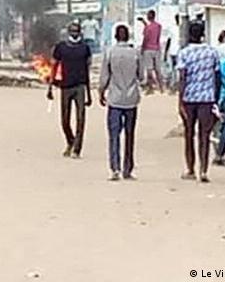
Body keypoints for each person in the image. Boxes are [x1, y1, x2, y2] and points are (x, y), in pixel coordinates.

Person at [176, 21, 220, 183]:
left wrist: (179, 101)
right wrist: (215, 97)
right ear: (203, 35)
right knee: (205, 135)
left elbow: (182, 77)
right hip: (207, 99)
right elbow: (217, 77)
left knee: (189, 134)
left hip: (189, 98)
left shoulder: (184, 53)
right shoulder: (212, 52)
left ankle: (190, 169)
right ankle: (204, 170)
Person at [98, 23, 142, 180]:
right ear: (128, 36)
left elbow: (104, 76)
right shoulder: (135, 53)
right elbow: (141, 76)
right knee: (130, 135)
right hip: (131, 99)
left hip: (114, 99)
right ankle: (127, 169)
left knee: (114, 135)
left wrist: (101, 91)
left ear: (116, 36)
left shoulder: (109, 52)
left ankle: (115, 168)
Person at [51, 21, 93, 158]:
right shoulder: (61, 47)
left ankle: (77, 149)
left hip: (80, 86)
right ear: (68, 32)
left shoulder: (85, 48)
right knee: (64, 120)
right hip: (65, 86)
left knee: (81, 119)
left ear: (80, 32)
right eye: (72, 31)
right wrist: (51, 85)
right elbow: (55, 66)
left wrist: (89, 93)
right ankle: (71, 140)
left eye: (76, 31)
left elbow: (87, 70)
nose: (74, 34)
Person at [139, 10, 163, 94]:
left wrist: (142, 48)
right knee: (158, 69)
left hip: (148, 49)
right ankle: (161, 87)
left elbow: (146, 38)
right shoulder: (158, 26)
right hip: (156, 48)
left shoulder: (148, 27)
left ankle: (151, 88)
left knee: (149, 69)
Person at [164, 14, 181, 93]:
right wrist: (165, 52)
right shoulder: (173, 28)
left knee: (177, 70)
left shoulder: (183, 28)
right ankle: (173, 86)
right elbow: (168, 41)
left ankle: (176, 86)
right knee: (173, 70)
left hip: (179, 52)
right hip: (173, 51)